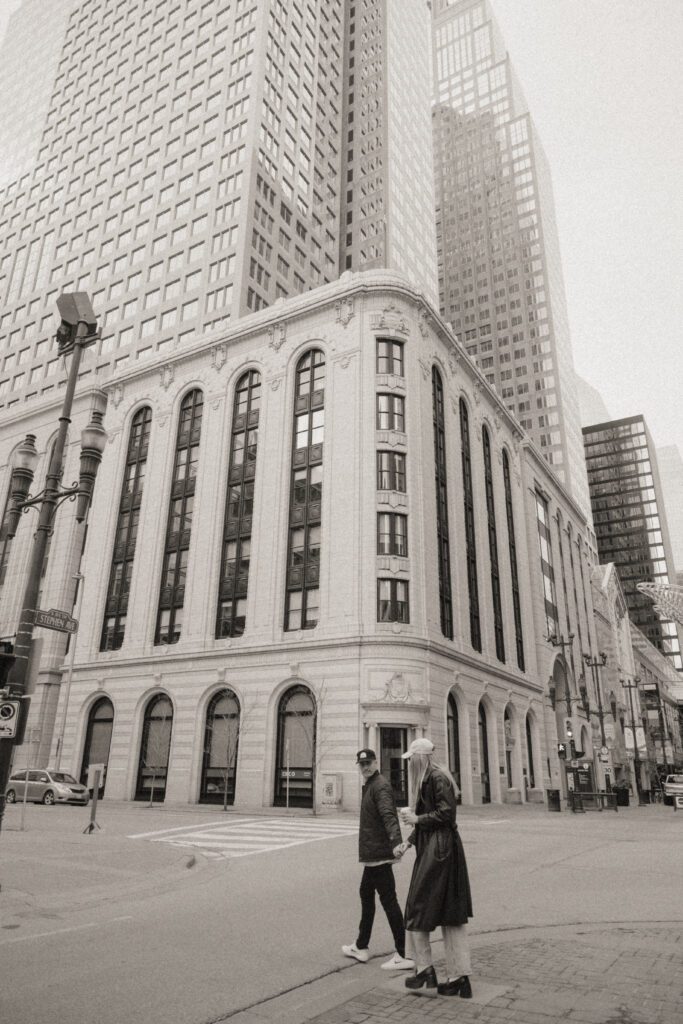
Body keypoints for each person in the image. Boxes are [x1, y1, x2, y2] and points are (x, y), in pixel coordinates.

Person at [399, 737, 473, 997]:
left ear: (420, 758)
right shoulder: (430, 778)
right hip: (439, 848)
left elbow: (446, 814)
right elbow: (440, 815)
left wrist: (417, 818)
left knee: (418, 907)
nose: (408, 765)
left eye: (411, 760)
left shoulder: (436, 778)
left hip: (439, 850)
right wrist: (408, 842)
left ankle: (426, 970)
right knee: (444, 911)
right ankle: (453, 976)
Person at [342, 748, 414, 970]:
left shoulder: (379, 785)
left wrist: (396, 844)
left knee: (388, 900)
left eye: (368, 763)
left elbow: (388, 815)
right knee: (368, 894)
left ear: (376, 763)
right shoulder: (372, 784)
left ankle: (404, 953)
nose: (365, 767)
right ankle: (362, 945)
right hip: (375, 853)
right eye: (362, 764)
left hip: (379, 854)